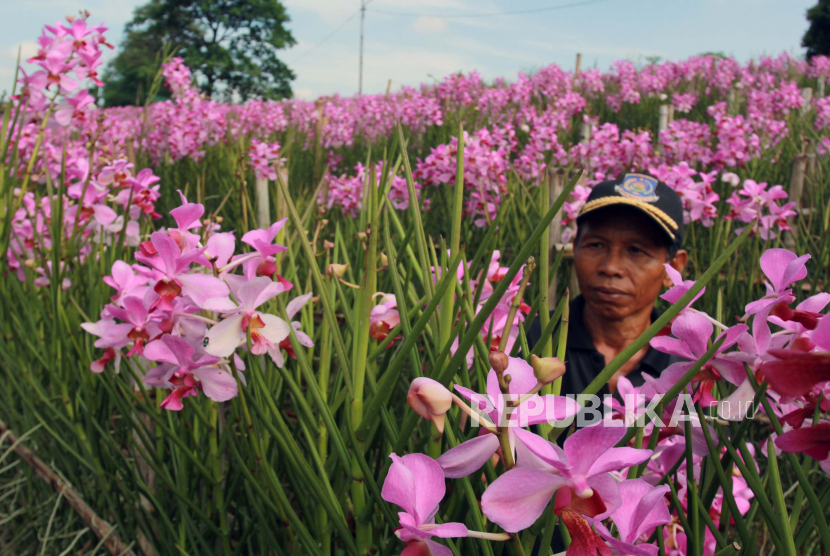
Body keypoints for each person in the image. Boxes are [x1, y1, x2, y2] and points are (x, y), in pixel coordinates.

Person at [526, 172, 689, 398]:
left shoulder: (690, 363)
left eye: (636, 250)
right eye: (596, 245)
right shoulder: (529, 343)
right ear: (576, 247)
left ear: (674, 267)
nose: (611, 267)